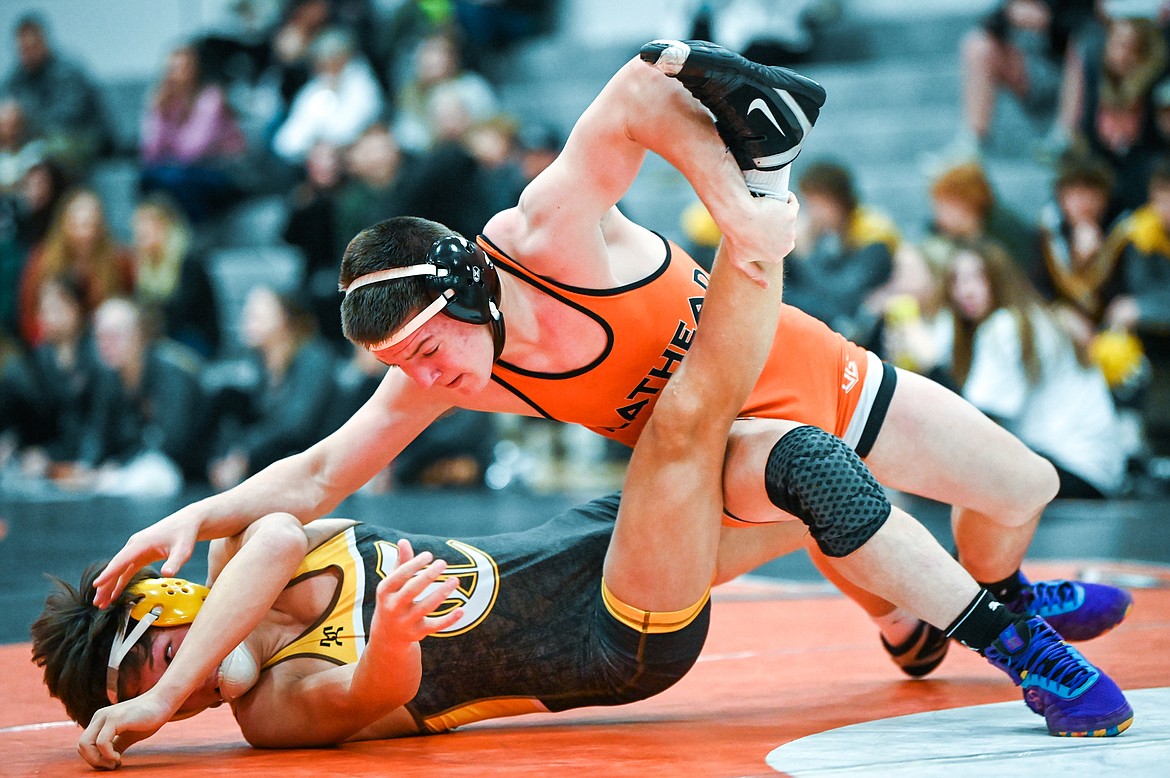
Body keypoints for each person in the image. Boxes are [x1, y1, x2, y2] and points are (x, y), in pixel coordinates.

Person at [90, 41, 1134, 734]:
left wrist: (733, 206)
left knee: (1023, 487)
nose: (425, 375)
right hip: (727, 453)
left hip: (814, 371)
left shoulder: (542, 235)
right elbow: (317, 471)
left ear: (472, 287)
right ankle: (1006, 635)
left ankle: (957, 608)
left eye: (425, 345)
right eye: (400, 363)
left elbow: (641, 91)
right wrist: (184, 518)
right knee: (753, 451)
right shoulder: (450, 371)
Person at [942, 240, 1128, 498]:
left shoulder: (1005, 325)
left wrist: (930, 367)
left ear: (1002, 280)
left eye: (978, 278)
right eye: (956, 281)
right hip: (1098, 472)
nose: (966, 291)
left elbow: (976, 423)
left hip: (1068, 468)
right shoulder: (1037, 317)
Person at [138, 44, 248, 224]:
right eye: (171, 69)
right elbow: (150, 154)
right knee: (149, 178)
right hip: (183, 173)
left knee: (174, 178)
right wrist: (158, 112)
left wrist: (169, 125)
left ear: (196, 69)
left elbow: (193, 151)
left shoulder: (211, 98)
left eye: (183, 68)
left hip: (223, 171)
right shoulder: (164, 102)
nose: (176, 74)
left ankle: (199, 231)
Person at [0, 14, 113, 173]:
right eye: (21, 49)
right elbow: (7, 105)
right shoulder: (17, 77)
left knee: (48, 150)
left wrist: (23, 121)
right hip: (39, 140)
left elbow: (66, 119)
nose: (25, 54)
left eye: (30, 47)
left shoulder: (68, 71)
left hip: (83, 139)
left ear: (43, 42)